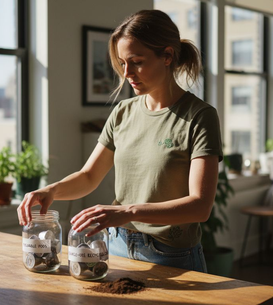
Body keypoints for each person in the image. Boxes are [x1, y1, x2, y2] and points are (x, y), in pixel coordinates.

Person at [17, 9, 223, 273]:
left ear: (167, 56)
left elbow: (200, 206)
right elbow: (89, 176)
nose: (127, 73)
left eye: (137, 61)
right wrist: (51, 191)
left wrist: (128, 212)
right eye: (123, 63)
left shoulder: (200, 116)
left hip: (171, 256)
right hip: (115, 248)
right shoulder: (123, 112)